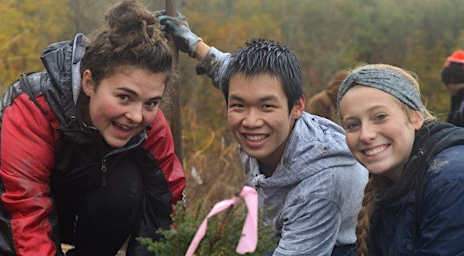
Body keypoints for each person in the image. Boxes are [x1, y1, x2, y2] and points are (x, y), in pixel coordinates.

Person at [0, 1, 186, 255]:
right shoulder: (31, 108)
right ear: (89, 82)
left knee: (127, 186)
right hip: (7, 210)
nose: (136, 115)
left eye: (151, 102)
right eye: (124, 97)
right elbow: (22, 215)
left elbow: (164, 202)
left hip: (81, 211)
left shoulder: (149, 120)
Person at [158, 15, 368, 256]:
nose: (251, 121)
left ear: (297, 107)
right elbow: (226, 69)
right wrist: (193, 43)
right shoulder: (257, 106)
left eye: (267, 107)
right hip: (281, 227)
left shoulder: (322, 184)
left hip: (335, 245)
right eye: (238, 105)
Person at [337, 63, 464, 255]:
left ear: (416, 117)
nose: (365, 135)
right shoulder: (394, 180)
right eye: (353, 125)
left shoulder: (457, 184)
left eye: (380, 116)